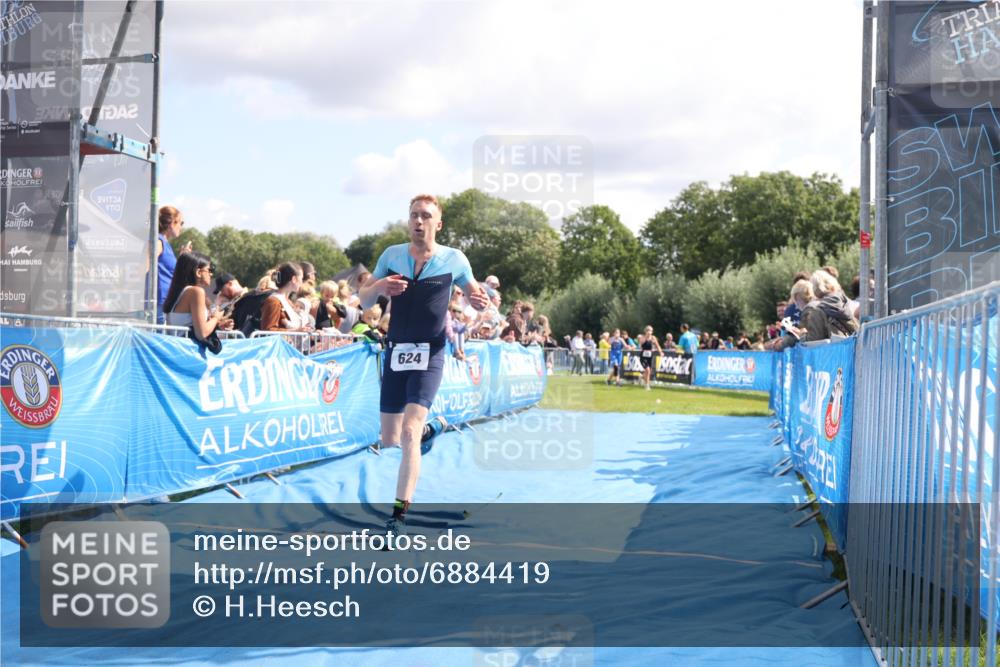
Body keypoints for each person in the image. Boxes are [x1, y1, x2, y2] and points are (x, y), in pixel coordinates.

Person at [359, 194, 489, 536]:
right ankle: (434, 429)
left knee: (409, 431)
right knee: (390, 440)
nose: (418, 221)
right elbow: (364, 300)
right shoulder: (392, 255)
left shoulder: (454, 259)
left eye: (425, 216)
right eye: (414, 215)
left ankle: (397, 516)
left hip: (430, 354)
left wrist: (481, 300)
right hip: (396, 352)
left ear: (438, 224)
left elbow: (477, 298)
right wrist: (380, 286)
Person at [162, 251, 233, 344]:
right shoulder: (196, 292)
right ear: (198, 272)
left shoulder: (182, 291)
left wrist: (218, 325)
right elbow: (202, 334)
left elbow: (190, 326)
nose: (211, 274)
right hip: (187, 351)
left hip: (179, 349)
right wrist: (216, 318)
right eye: (209, 270)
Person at [156, 206, 192, 324]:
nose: (181, 227)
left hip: (166, 302)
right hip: (158, 303)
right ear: (172, 222)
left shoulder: (164, 243)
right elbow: (143, 268)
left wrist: (182, 258)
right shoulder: (158, 242)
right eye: (181, 222)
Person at [260, 263, 314, 332]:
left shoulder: (287, 301)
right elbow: (268, 330)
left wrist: (314, 332)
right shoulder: (273, 301)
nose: (302, 282)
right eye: (301, 278)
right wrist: (296, 331)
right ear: (294, 279)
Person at [639, 325, 662, 391]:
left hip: (650, 356)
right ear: (645, 331)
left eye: (651, 331)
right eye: (648, 330)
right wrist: (645, 340)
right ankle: (647, 386)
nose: (649, 332)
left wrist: (660, 352)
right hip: (643, 356)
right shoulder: (642, 338)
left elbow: (658, 346)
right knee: (648, 370)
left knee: (649, 371)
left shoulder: (653, 338)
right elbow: (641, 345)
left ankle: (641, 377)